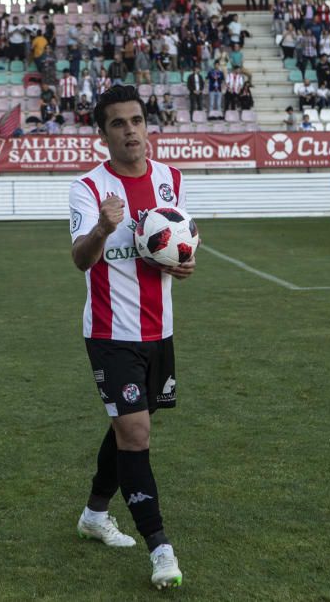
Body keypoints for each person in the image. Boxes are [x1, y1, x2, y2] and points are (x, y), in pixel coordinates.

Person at [68, 85, 193, 591]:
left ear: (147, 126)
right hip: (110, 332)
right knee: (137, 433)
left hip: (159, 330)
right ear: (103, 134)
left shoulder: (171, 179)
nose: (130, 131)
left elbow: (176, 242)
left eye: (136, 121)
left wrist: (182, 263)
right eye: (118, 124)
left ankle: (95, 514)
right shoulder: (89, 188)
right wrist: (102, 228)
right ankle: (161, 551)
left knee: (127, 427)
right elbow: (80, 257)